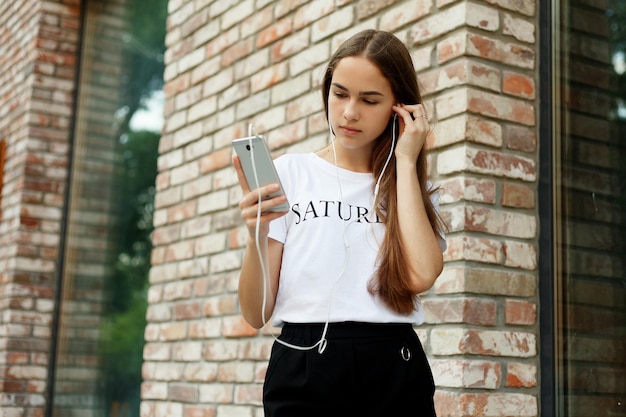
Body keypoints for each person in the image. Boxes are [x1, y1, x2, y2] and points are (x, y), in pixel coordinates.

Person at [232, 29, 447, 417]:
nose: (349, 112)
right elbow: (255, 314)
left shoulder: (412, 188)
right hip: (303, 362)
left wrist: (407, 162)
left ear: (400, 108)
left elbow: (422, 276)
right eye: (340, 93)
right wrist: (256, 234)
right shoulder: (290, 174)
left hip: (392, 365)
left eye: (370, 100)